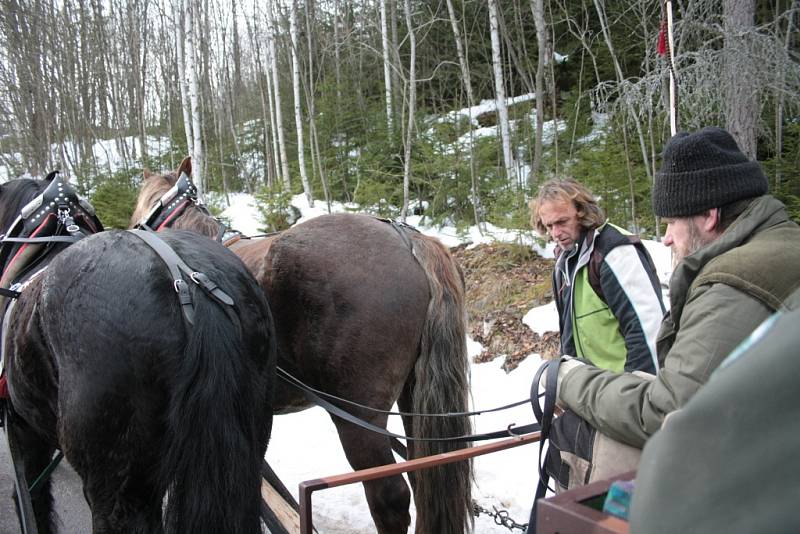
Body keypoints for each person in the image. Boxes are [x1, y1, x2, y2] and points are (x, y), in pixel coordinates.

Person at [546, 126, 800, 493]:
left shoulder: (729, 285)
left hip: (758, 478)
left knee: (575, 444)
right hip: (768, 445)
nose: (665, 238)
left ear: (709, 216)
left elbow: (668, 409)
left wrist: (568, 380)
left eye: (671, 222)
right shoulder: (781, 244)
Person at [530, 179, 665, 373]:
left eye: (562, 222)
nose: (556, 233)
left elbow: (648, 331)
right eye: (549, 226)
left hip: (625, 391)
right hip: (594, 393)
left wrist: (634, 395)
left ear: (582, 212)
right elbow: (570, 337)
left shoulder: (614, 251)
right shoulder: (565, 260)